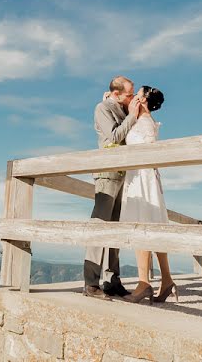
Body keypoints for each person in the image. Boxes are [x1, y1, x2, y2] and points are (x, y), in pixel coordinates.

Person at [84, 75, 144, 300]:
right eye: (129, 94)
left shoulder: (120, 106)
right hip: (107, 175)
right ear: (116, 94)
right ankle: (91, 284)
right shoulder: (102, 108)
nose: (132, 97)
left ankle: (111, 280)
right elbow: (113, 138)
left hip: (123, 176)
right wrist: (132, 116)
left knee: (116, 229)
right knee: (100, 227)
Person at [118, 86, 177, 304]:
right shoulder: (143, 120)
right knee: (154, 225)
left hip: (142, 178)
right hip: (145, 177)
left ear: (142, 100)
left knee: (141, 225)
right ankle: (167, 279)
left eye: (136, 95)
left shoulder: (143, 124)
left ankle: (144, 283)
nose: (132, 98)